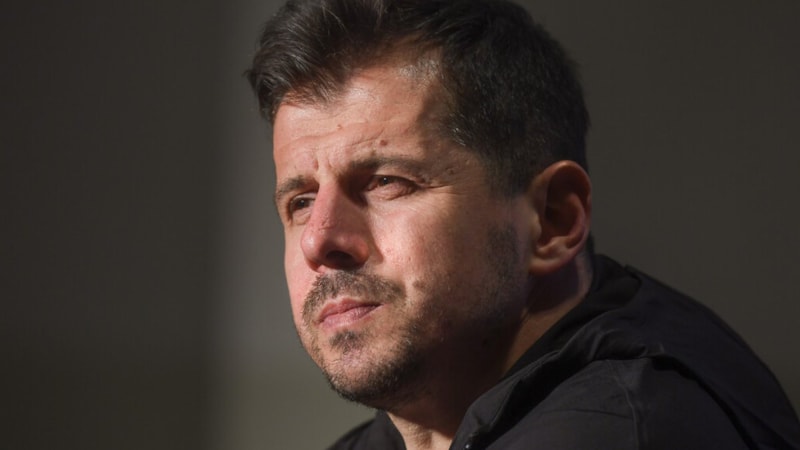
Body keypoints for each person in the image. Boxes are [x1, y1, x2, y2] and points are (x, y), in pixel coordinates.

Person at [246, 0, 800, 448]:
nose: (319, 239)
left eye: (387, 182)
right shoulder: (410, 429)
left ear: (553, 219)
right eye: (301, 201)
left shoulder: (619, 428)